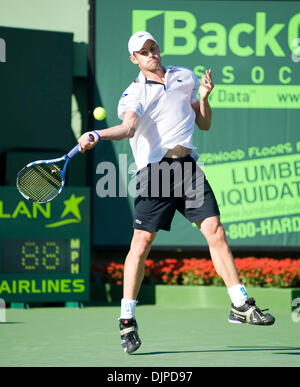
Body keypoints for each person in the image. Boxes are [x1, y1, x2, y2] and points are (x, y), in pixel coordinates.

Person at [78, 31, 275, 355]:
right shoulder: (133, 94)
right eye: (143, 52)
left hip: (188, 170)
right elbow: (128, 128)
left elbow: (204, 123)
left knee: (215, 231)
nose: (151, 54)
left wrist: (206, 97)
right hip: (155, 173)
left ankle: (239, 303)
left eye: (153, 47)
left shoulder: (185, 77)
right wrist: (97, 134)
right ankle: (127, 318)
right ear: (134, 60)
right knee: (141, 244)